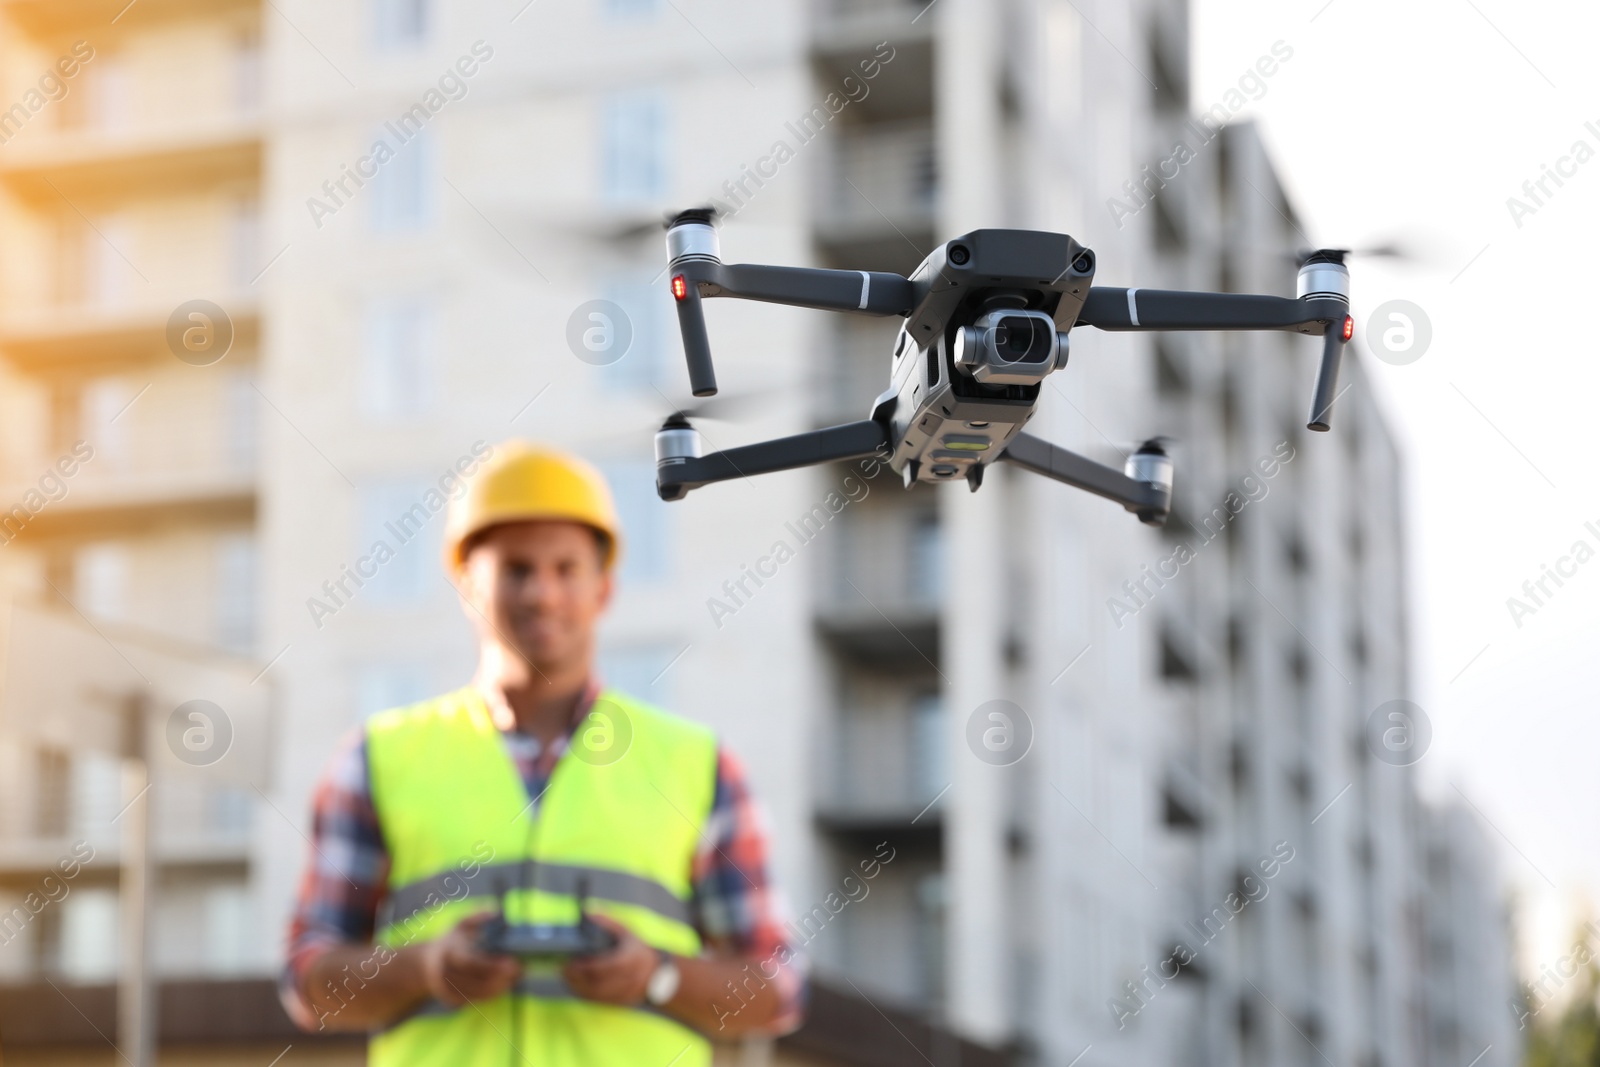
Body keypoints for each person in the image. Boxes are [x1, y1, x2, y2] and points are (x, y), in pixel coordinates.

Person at [280, 443, 803, 1065]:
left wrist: (657, 977)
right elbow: (309, 985)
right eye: (517, 569)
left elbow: (776, 991)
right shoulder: (376, 759)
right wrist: (425, 969)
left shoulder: (699, 765)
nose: (542, 595)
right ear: (467, 584)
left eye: (565, 568)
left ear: (604, 588)